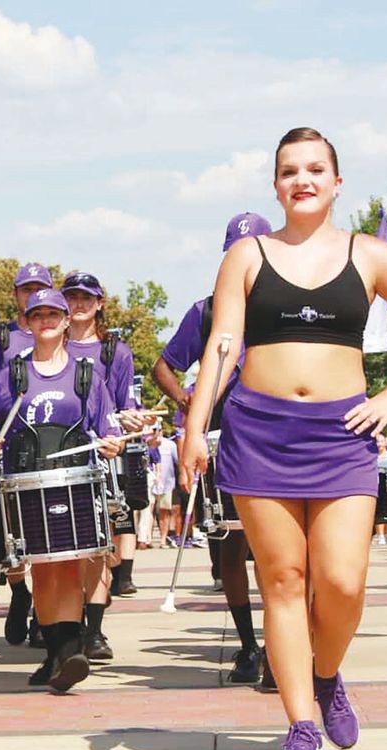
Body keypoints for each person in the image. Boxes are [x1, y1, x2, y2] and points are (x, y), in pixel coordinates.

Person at [180, 128, 387, 750]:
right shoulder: (246, 255)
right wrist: (195, 430)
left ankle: (326, 675)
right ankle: (300, 722)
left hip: (341, 433)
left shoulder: (368, 254)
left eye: (314, 169)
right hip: (259, 430)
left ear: (336, 181)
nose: (301, 180)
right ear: (275, 184)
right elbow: (222, 346)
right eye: (288, 171)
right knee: (282, 578)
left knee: (342, 582)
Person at [0, 288, 123, 692]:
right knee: (44, 570)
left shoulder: (87, 373)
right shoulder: (15, 374)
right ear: (29, 322)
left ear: (67, 319)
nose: (46, 321)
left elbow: (109, 429)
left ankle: (69, 653)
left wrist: (111, 442)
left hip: (73, 483)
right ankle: (57, 654)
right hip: (27, 483)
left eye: (54, 313)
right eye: (38, 315)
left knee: (69, 566)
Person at [154, 211, 273, 685]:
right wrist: (188, 403)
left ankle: (280, 645)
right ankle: (247, 646)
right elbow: (164, 366)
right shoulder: (205, 311)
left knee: (274, 550)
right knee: (231, 545)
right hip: (223, 438)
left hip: (272, 436)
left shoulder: (280, 306)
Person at [0, 263, 54, 645]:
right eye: (25, 290)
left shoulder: (61, 340)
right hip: (12, 448)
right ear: (16, 295)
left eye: (41, 289)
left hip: (53, 452)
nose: (32, 296)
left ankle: (48, 616)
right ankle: (20, 594)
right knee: (13, 540)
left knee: (52, 540)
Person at [60, 270, 144, 658]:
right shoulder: (47, 345)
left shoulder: (115, 352)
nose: (79, 304)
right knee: (60, 545)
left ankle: (92, 628)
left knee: (98, 545)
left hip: (101, 458)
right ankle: (57, 618)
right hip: (56, 455)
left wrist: (131, 419)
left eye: (86, 298)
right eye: (72, 297)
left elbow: (127, 404)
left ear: (99, 303)